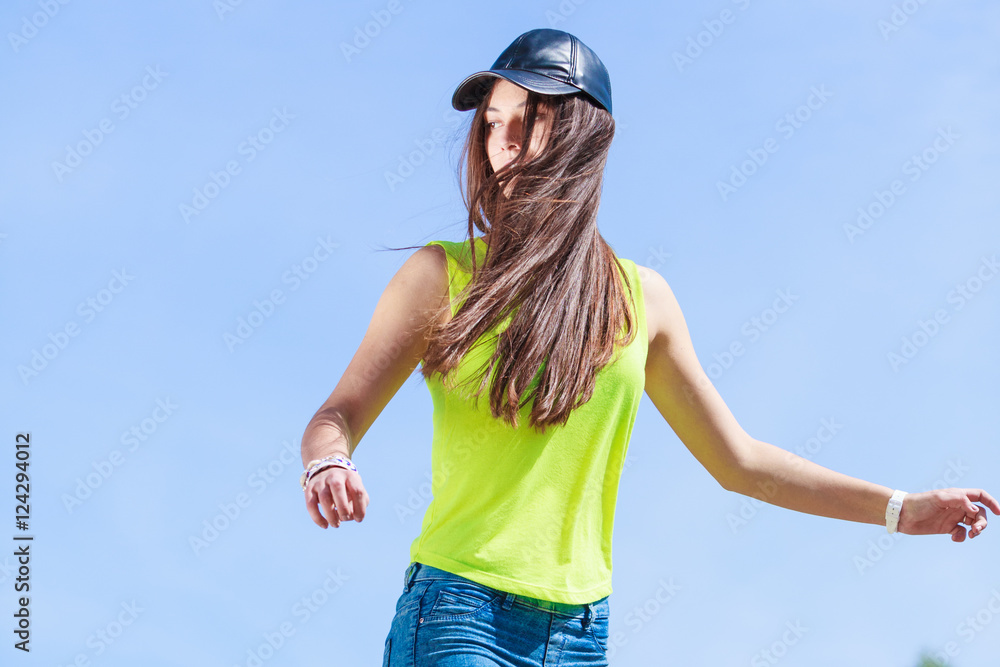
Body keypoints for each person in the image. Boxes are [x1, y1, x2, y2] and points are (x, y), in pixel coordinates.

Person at [298, 28, 999, 667]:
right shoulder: (440, 275)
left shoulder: (640, 300)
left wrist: (900, 509)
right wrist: (328, 460)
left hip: (579, 635)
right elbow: (338, 414)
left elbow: (742, 461)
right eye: (491, 124)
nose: (501, 141)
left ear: (581, 136)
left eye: (528, 119)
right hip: (458, 614)